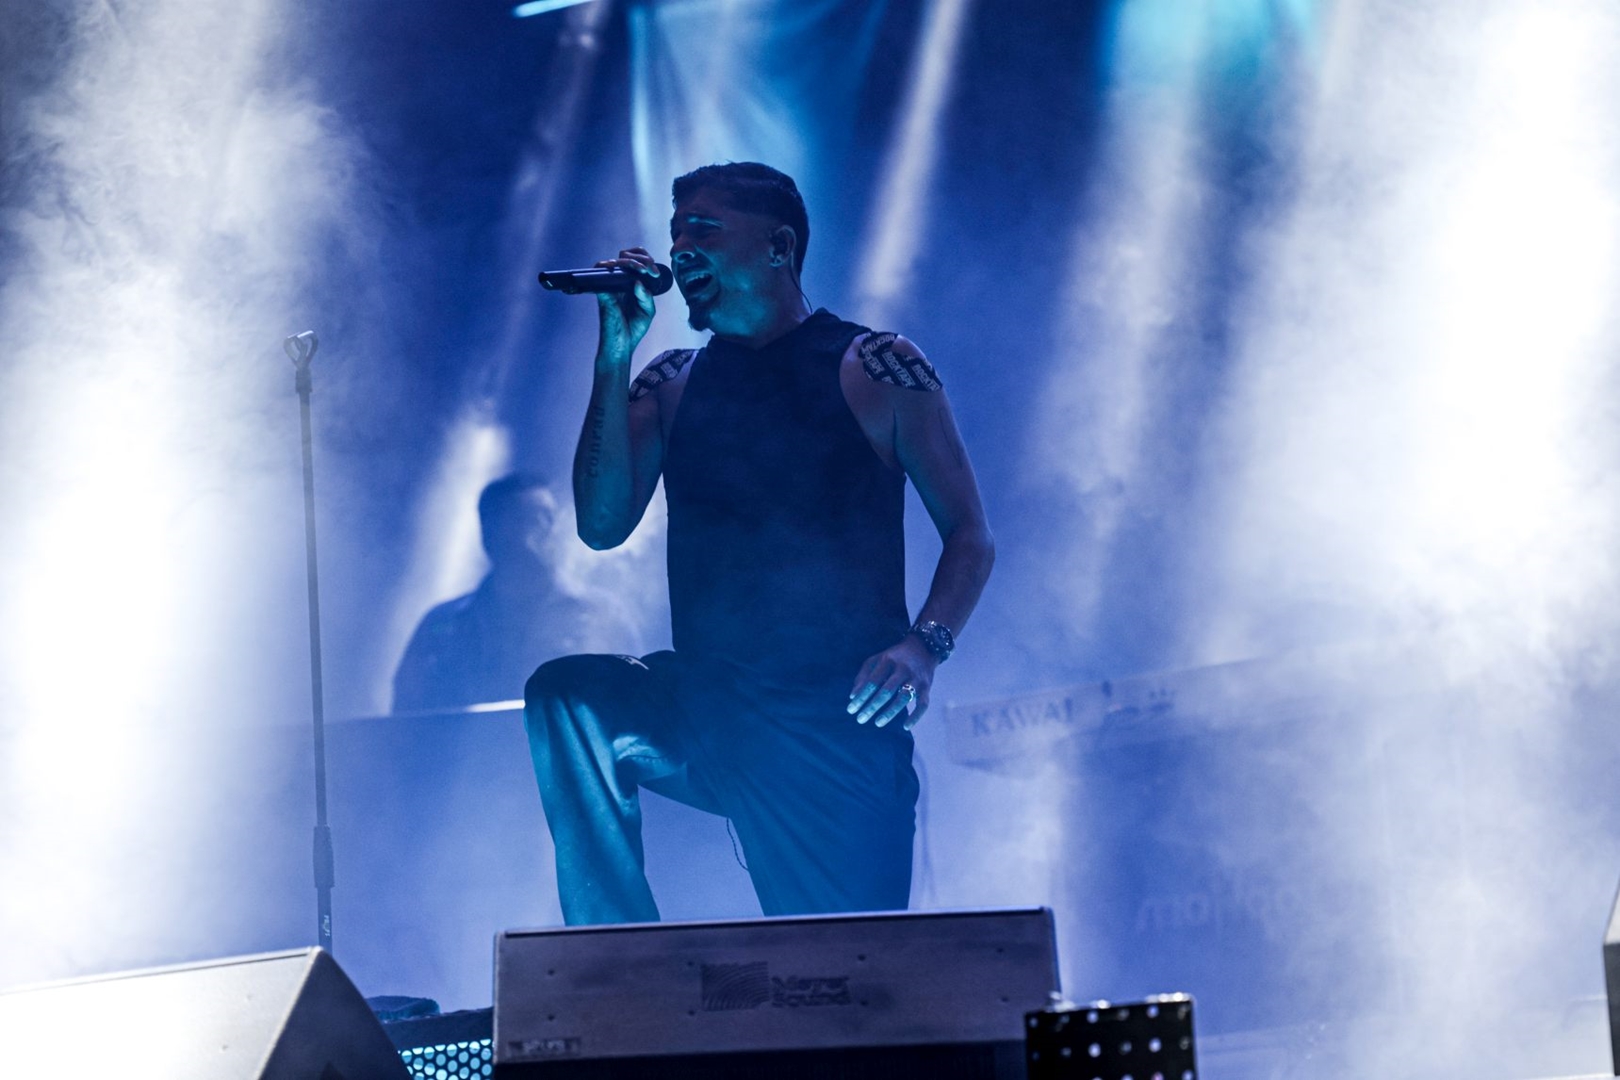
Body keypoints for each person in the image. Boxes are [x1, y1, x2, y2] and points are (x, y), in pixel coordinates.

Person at [524, 162, 994, 924]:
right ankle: (616, 953)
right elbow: (600, 526)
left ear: (779, 247)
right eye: (676, 232)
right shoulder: (671, 383)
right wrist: (614, 351)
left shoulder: (876, 367)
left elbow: (970, 535)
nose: (680, 248)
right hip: (709, 708)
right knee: (570, 697)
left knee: (843, 973)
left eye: (704, 230)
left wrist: (923, 647)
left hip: (830, 727)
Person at [393, 473, 594, 712]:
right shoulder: (441, 623)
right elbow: (406, 713)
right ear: (489, 531)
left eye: (549, 517)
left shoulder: (597, 616)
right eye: (527, 518)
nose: (546, 529)